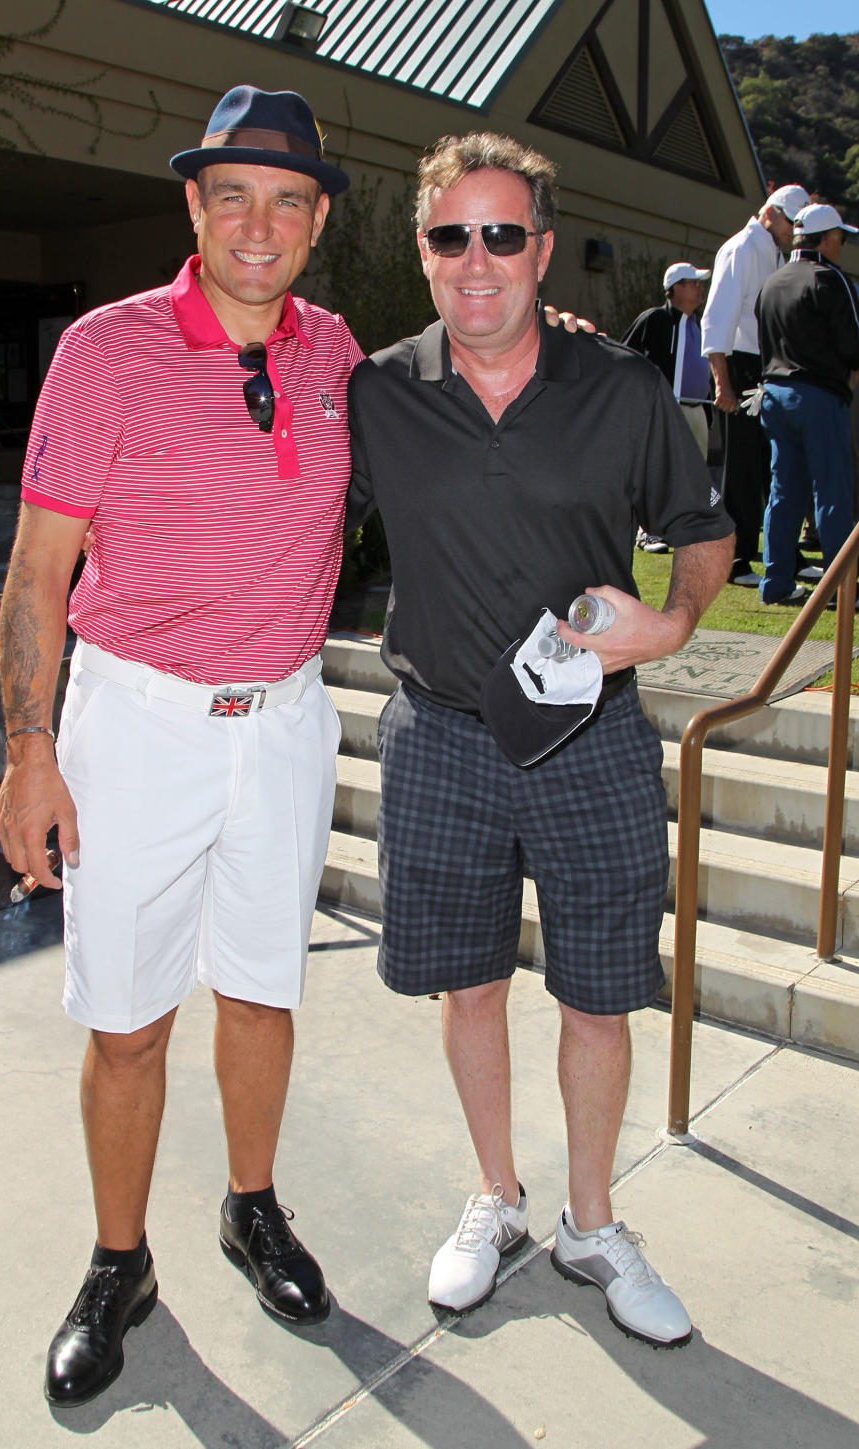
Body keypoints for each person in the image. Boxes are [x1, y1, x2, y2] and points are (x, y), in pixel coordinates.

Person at [0, 85, 362, 1408]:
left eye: (287, 200)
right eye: (233, 195)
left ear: (317, 219)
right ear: (194, 207)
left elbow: (464, 411)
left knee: (264, 989)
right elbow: (40, 569)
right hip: (138, 723)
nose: (258, 225)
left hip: (283, 722)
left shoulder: (336, 353)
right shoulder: (107, 346)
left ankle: (251, 1207)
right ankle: (118, 1260)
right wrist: (30, 751)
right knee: (130, 1017)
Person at [347, 132, 734, 1348]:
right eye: (452, 235)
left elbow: (704, 533)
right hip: (442, 737)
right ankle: (498, 1197)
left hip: (591, 738)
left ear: (542, 251)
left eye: (503, 235)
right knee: (468, 986)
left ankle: (589, 1220)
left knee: (598, 997)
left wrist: (668, 626)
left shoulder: (618, 386)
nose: (478, 261)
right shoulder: (377, 392)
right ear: (422, 253)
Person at [701, 183, 810, 587]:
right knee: (742, 470)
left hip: (764, 366)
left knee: (772, 466)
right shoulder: (741, 248)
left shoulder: (773, 253)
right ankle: (735, 560)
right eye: (791, 223)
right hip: (739, 366)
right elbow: (717, 318)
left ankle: (786, 554)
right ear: (773, 213)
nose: (793, 232)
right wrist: (722, 382)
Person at [755, 202, 859, 607]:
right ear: (829, 238)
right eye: (842, 238)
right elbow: (853, 346)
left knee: (784, 492)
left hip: (774, 395)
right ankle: (838, 589)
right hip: (819, 395)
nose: (843, 245)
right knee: (832, 490)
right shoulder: (831, 279)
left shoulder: (773, 280)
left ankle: (776, 582)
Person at [622, 261, 713, 552]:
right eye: (692, 283)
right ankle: (648, 532)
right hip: (664, 410)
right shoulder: (655, 319)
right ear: (674, 289)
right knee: (657, 471)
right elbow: (626, 356)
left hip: (697, 409)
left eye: (700, 284)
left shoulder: (701, 325)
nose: (700, 289)